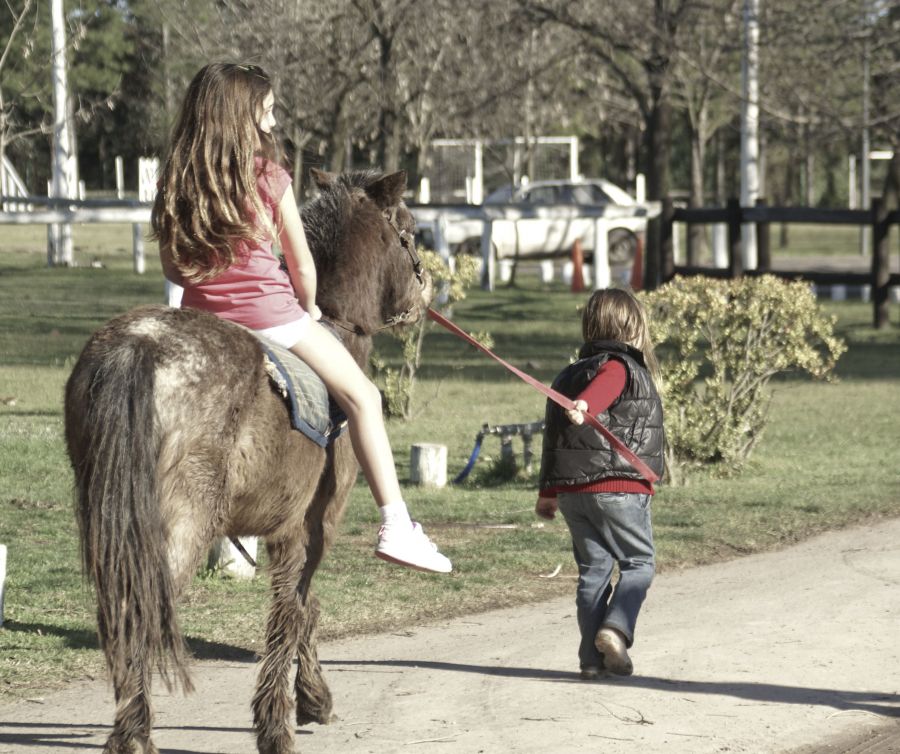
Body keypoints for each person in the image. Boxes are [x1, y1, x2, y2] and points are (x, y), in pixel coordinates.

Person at [151, 62, 451, 574]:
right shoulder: (269, 176)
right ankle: (398, 524)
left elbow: (171, 266)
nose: (272, 124)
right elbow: (302, 263)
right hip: (273, 318)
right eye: (266, 113)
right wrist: (307, 306)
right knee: (365, 397)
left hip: (201, 325)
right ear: (241, 118)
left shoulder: (178, 180)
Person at [535, 288, 664, 678]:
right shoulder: (619, 366)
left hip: (575, 493)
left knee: (594, 571)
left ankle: (592, 661)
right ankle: (615, 629)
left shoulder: (568, 374)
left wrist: (548, 492)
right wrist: (587, 405)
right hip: (619, 487)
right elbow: (607, 385)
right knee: (639, 563)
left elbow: (555, 439)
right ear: (632, 327)